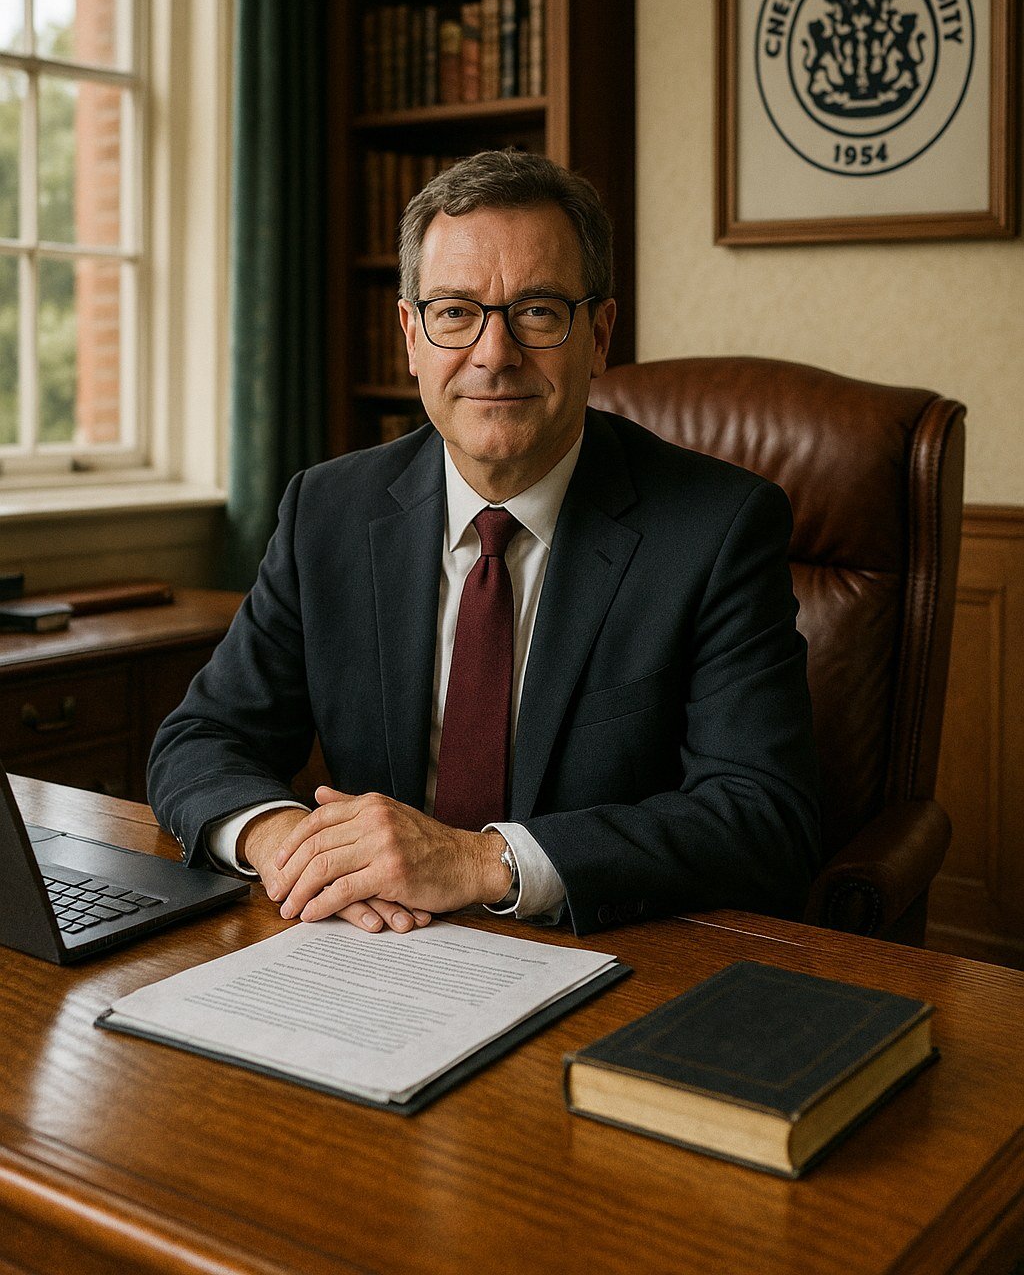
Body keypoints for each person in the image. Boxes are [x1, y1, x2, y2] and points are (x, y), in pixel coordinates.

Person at [148, 150, 819, 937]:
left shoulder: (718, 528)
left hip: (602, 951)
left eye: (536, 311)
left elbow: (764, 815)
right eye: (455, 312)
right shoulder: (326, 511)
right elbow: (199, 739)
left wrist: (481, 862)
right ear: (410, 335)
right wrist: (286, 841)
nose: (494, 355)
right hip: (374, 954)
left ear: (598, 335)